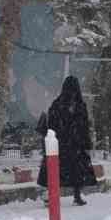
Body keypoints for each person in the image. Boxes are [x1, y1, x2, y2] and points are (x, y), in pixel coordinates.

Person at [36, 76, 96, 206]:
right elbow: (84, 125)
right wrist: (85, 141)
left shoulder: (58, 104)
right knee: (74, 171)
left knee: (57, 170)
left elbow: (52, 123)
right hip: (72, 144)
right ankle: (75, 195)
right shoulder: (77, 105)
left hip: (62, 144)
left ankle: (54, 195)